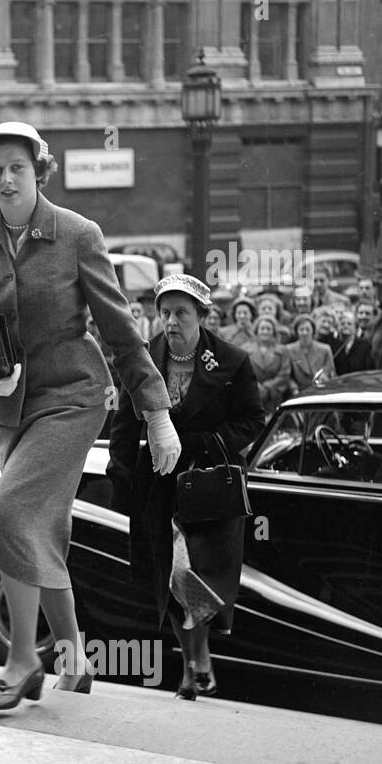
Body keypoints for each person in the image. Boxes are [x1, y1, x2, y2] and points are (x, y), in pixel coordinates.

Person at [0, 120, 178, 708]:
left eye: (16, 168)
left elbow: (122, 333)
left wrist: (156, 413)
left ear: (38, 170)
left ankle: (23, 659)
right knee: (41, 529)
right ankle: (74, 659)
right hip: (9, 407)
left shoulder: (78, 234)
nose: (5, 180)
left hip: (73, 398)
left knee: (5, 511)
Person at [108, 274, 265, 700]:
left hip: (211, 484)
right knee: (171, 575)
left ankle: (201, 658)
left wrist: (204, 442)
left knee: (204, 573)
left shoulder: (231, 361)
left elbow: (253, 420)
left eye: (181, 313)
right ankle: (192, 665)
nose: (171, 321)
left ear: (201, 315)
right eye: (164, 313)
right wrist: (119, 471)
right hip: (160, 481)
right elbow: (124, 421)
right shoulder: (143, 360)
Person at [247, 316, 293, 414]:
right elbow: (244, 373)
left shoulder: (283, 350)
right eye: (262, 329)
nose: (265, 331)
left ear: (273, 332)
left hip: (275, 398)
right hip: (253, 396)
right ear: (257, 331)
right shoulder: (246, 349)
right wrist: (257, 388)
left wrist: (267, 388)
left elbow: (285, 374)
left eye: (268, 329)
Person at [286, 314, 335, 393]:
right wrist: (294, 389)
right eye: (301, 330)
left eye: (307, 329)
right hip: (298, 392)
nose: (305, 333)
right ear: (297, 331)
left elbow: (331, 373)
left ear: (313, 331)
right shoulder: (289, 350)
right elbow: (287, 376)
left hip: (321, 391)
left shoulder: (325, 349)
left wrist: (323, 379)